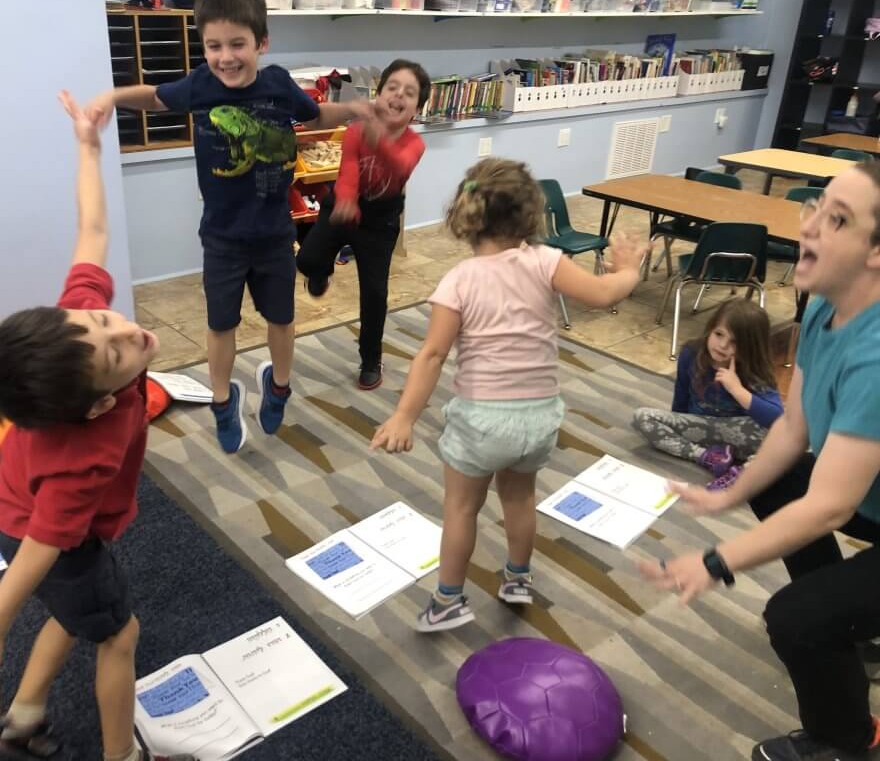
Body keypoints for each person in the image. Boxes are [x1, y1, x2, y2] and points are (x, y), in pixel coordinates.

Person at [0, 93, 188, 761]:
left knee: (74, 611)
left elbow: (93, 230)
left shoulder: (74, 332)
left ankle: (22, 719)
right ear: (98, 405)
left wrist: (88, 146)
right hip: (44, 532)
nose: (128, 330)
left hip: (13, 513)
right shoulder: (88, 453)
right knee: (117, 633)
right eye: (117, 354)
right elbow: (46, 544)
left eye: (106, 322)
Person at [640, 160, 880, 761]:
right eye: (818, 208)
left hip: (862, 497)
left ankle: (848, 742)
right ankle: (852, 620)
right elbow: (795, 427)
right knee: (773, 486)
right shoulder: (823, 307)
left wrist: (716, 561)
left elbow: (829, 506)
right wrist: (727, 494)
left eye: (839, 220)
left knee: (794, 617)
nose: (811, 227)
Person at [84, 0, 371, 454]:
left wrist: (354, 111)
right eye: (213, 46)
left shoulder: (277, 84)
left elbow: (314, 114)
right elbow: (157, 98)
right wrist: (111, 96)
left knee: (282, 318)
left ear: (262, 43)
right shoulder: (201, 85)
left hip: (275, 235)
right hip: (222, 239)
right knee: (221, 325)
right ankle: (223, 400)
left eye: (236, 44)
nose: (225, 57)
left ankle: (278, 385)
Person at [371, 158, 647, 633]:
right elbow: (604, 295)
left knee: (461, 509)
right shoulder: (546, 261)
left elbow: (433, 355)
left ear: (468, 216)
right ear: (529, 217)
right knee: (519, 500)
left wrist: (403, 416)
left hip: (482, 422)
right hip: (540, 419)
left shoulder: (458, 280)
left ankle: (447, 602)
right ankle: (517, 579)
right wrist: (629, 271)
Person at [296, 59, 429, 390]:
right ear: (379, 93)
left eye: (409, 93)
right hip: (342, 205)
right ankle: (321, 272)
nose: (398, 96)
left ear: (416, 109)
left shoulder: (415, 143)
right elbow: (350, 168)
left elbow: (399, 166)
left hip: (380, 224)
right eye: (392, 88)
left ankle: (371, 359)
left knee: (374, 294)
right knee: (306, 260)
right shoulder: (356, 129)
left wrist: (378, 136)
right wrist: (346, 199)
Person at [632, 298, 782, 490]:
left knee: (787, 439)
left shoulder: (752, 369)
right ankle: (707, 457)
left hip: (742, 436)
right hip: (702, 430)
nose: (722, 345)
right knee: (642, 417)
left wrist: (736, 389)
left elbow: (778, 418)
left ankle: (743, 474)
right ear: (710, 329)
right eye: (719, 334)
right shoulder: (691, 353)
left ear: (750, 347)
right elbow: (681, 398)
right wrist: (676, 424)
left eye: (734, 342)